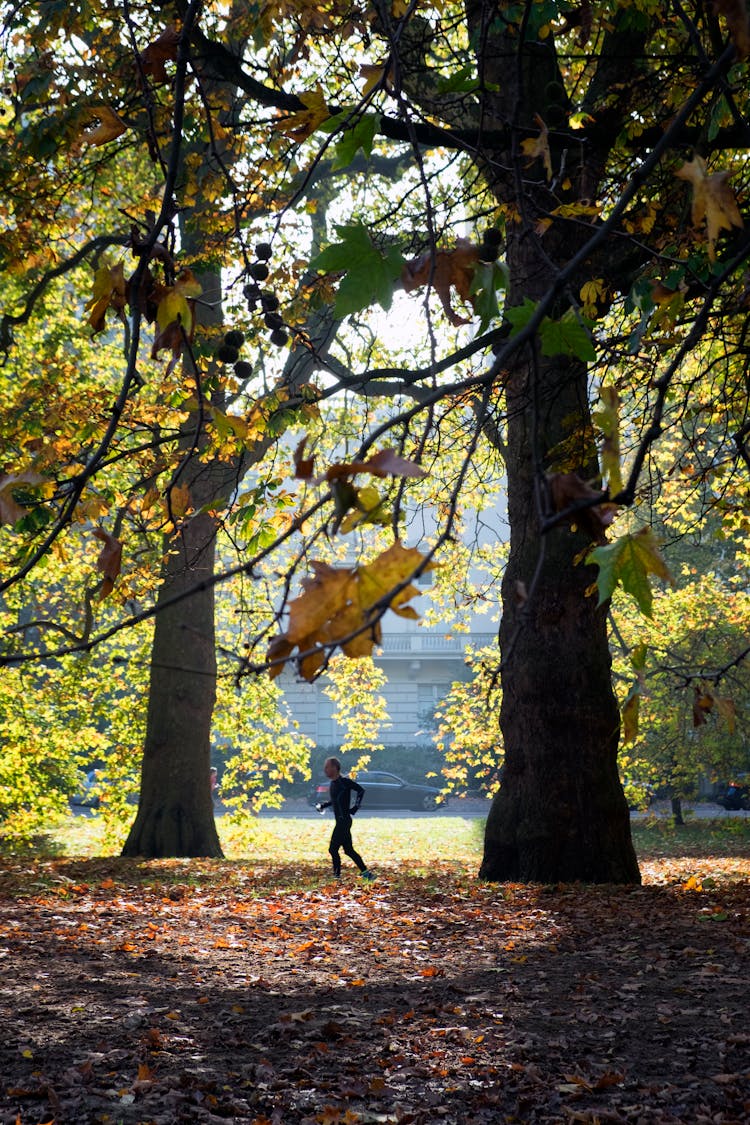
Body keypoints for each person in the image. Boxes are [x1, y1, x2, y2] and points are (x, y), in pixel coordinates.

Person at [316, 757, 375, 881]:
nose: (325, 769)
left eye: (327, 767)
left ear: (335, 768)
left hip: (344, 821)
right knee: (348, 850)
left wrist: (356, 807)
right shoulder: (333, 784)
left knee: (332, 849)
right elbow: (335, 800)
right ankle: (366, 874)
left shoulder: (344, 782)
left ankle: (337, 877)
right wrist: (323, 805)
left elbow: (361, 790)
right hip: (342, 821)